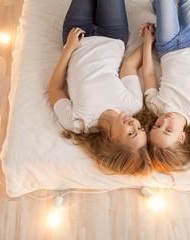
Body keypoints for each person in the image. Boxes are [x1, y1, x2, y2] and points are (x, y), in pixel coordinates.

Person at [48, 0, 152, 177]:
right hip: (112, 34)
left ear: (112, 141)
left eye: (131, 133)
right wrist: (150, 42)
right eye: (141, 129)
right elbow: (129, 66)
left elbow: (55, 89)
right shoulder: (133, 105)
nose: (135, 123)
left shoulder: (78, 123)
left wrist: (69, 49)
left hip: (76, 36)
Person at [139, 0, 190, 175]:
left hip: (167, 46)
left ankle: (159, 7)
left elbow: (148, 75)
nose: (164, 121)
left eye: (157, 126)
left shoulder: (156, 106)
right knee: (187, 4)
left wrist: (148, 43)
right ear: (182, 137)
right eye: (168, 130)